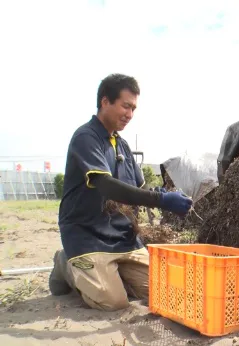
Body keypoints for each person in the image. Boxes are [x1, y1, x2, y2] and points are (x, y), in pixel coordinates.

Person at [49, 74, 193, 311]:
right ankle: (65, 262)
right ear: (105, 101)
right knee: (112, 301)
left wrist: (163, 192)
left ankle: (109, 274)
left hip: (123, 237)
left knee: (163, 290)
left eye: (133, 108)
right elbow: (105, 185)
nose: (130, 114)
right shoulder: (86, 137)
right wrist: (161, 200)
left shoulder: (122, 145)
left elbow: (137, 190)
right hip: (87, 235)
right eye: (125, 106)